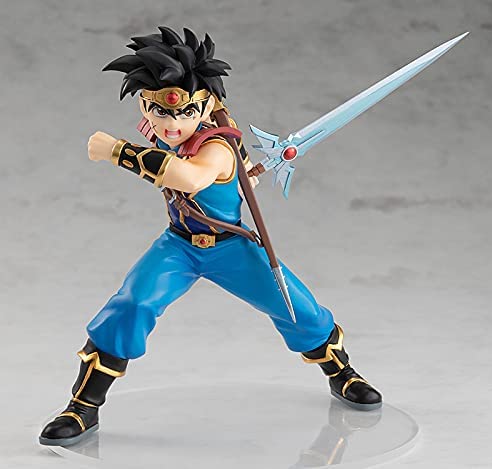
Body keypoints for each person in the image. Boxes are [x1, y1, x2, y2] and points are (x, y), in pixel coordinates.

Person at [39, 26, 382, 447]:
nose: (171, 124)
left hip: (229, 248)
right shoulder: (175, 133)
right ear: (145, 105)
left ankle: (341, 372)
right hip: (180, 245)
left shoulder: (217, 145)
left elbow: (190, 177)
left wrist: (118, 151)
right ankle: (83, 406)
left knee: (296, 306)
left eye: (185, 113)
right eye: (158, 111)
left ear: (207, 105)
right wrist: (247, 175)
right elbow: (225, 173)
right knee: (132, 304)